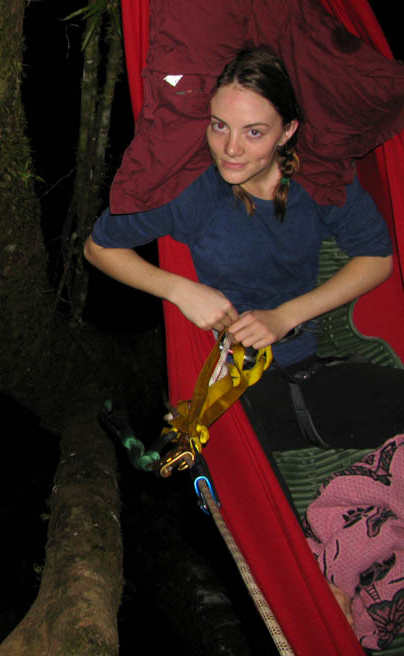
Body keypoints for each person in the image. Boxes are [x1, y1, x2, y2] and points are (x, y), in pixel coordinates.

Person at [84, 45, 404, 453]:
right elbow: (98, 248)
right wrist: (180, 289)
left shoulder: (321, 177)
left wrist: (285, 315)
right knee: (207, 448)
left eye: (254, 132)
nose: (230, 148)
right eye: (219, 126)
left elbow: (377, 259)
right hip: (225, 378)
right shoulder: (193, 188)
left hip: (303, 367)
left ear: (288, 131)